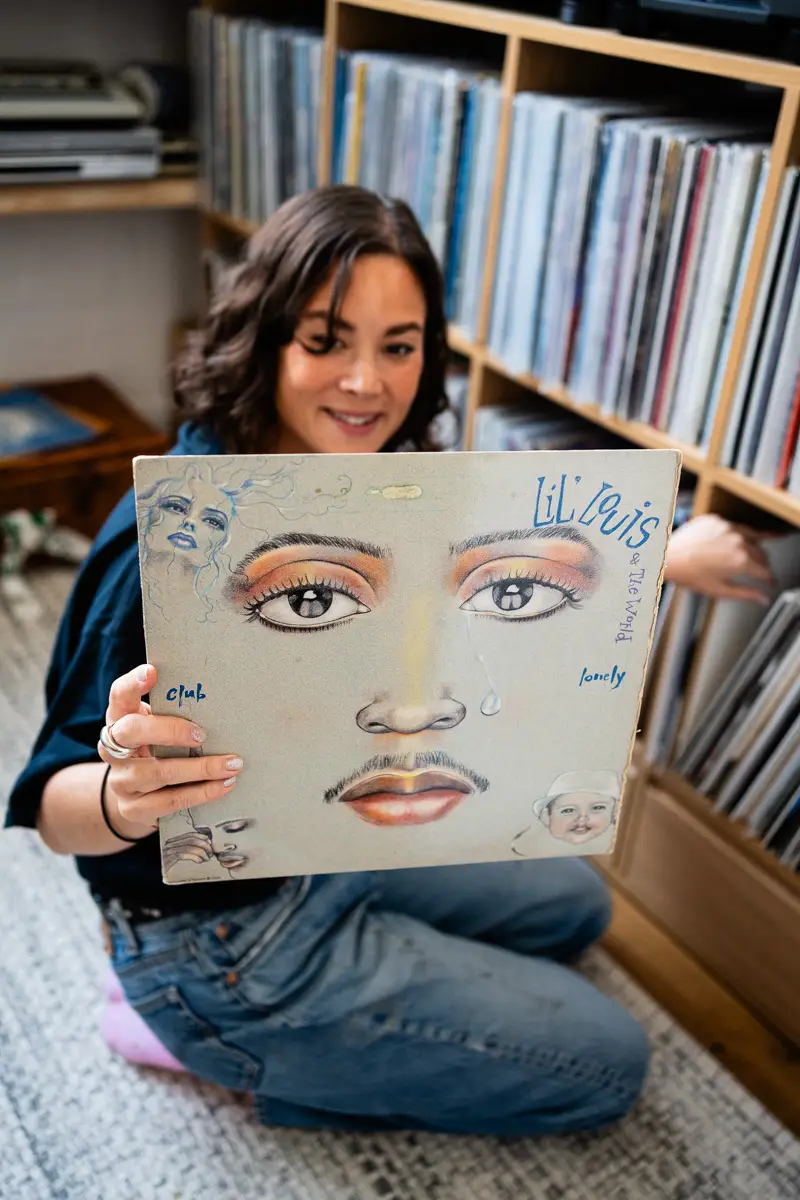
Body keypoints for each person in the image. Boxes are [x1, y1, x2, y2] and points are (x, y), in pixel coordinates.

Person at [6, 185, 772, 1137]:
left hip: (323, 840)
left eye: (398, 346)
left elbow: (496, 545)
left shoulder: (370, 477)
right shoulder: (161, 551)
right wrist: (124, 797)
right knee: (606, 1068)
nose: (367, 382)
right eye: (326, 341)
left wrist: (655, 551)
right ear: (265, 340)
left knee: (574, 904)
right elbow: (48, 810)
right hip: (213, 935)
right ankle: (208, 1037)